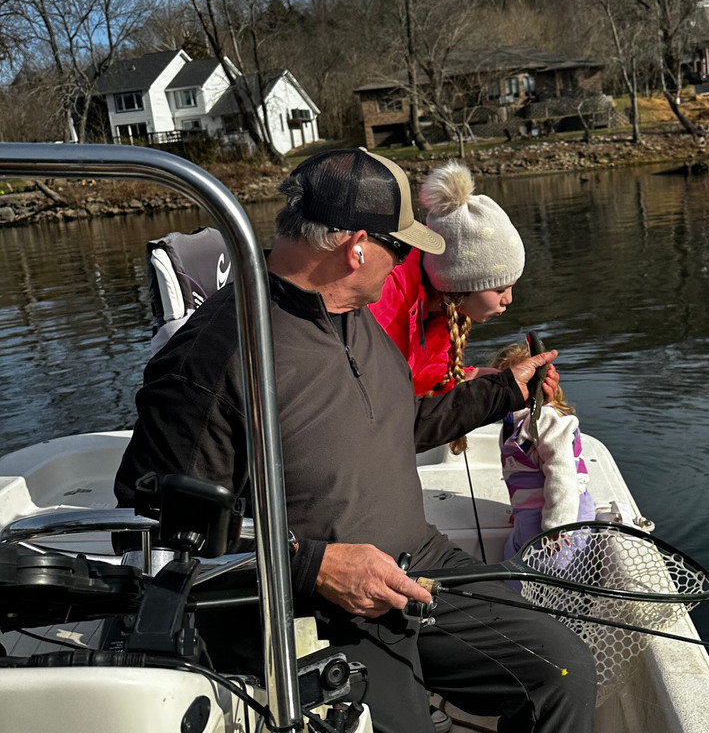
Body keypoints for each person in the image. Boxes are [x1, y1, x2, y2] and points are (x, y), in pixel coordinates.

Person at [113, 148, 596, 733]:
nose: (409, 265)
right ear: (358, 247)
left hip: (420, 563)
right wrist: (314, 566)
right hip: (327, 607)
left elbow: (397, 425)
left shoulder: (355, 314)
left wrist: (503, 391)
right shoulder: (212, 358)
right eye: (402, 249)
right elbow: (154, 533)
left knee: (561, 670)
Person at [369, 160, 524, 398]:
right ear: (460, 282)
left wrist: (491, 381)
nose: (508, 300)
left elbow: (428, 378)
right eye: (499, 289)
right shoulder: (385, 297)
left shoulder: (447, 310)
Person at [492, 343, 596, 560]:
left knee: (546, 570)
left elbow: (562, 473)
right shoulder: (513, 424)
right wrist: (519, 509)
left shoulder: (544, 420)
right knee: (511, 553)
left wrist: (557, 526)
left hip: (561, 525)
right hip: (531, 517)